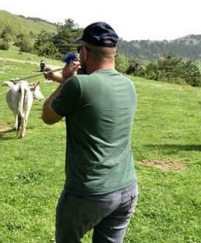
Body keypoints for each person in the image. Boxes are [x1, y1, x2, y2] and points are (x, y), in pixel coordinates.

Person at [42, 22, 138, 243]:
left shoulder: (77, 84)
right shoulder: (129, 85)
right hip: (127, 188)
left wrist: (65, 79)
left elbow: (48, 116)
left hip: (88, 192)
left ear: (84, 52)